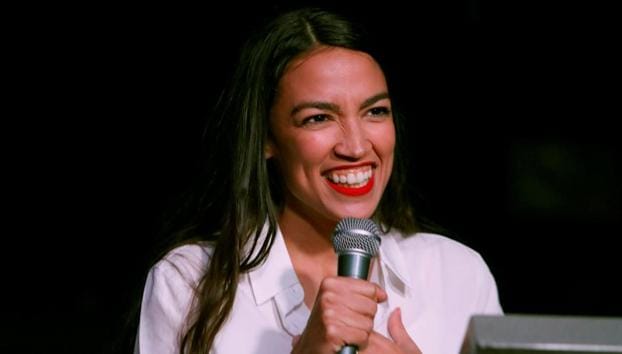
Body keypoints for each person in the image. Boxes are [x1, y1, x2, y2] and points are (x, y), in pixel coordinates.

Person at [134, 7, 502, 354]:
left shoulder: (458, 274)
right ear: (266, 138)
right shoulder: (188, 282)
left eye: (375, 112)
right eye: (318, 118)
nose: (357, 147)